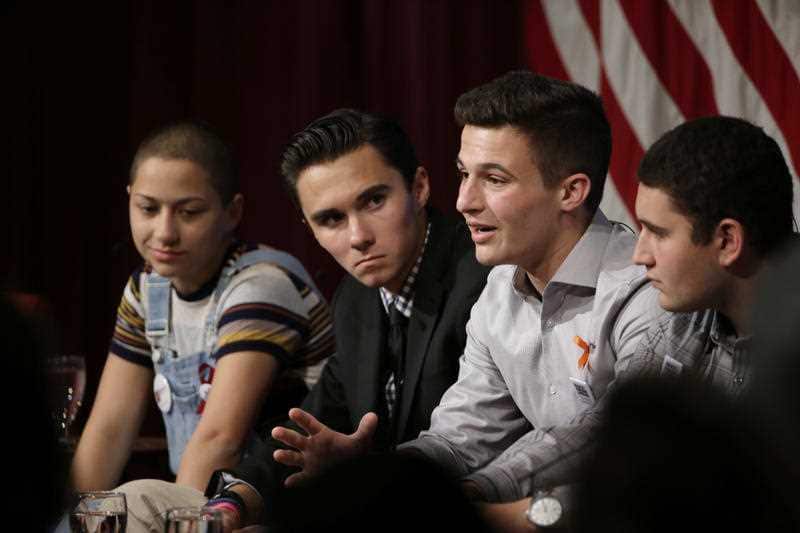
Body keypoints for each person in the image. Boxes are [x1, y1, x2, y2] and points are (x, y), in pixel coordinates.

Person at [116, 109, 489, 532]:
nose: (357, 236)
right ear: (308, 226)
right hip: (364, 509)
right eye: (331, 219)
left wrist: (364, 467)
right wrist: (233, 503)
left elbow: (476, 448)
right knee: (135, 501)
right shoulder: (357, 298)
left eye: (373, 201)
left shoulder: (479, 280)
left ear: (419, 187)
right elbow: (303, 428)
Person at [71, 122, 334, 494]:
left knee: (140, 496)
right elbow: (111, 426)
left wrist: (180, 522)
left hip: (276, 500)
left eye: (189, 212)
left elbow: (220, 440)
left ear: (232, 212)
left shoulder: (260, 285)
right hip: (209, 499)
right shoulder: (147, 289)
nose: (164, 232)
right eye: (148, 208)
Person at [572, 115, 798, 531]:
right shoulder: (682, 318)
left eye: (658, 232)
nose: (640, 255)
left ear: (728, 241)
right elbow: (600, 441)